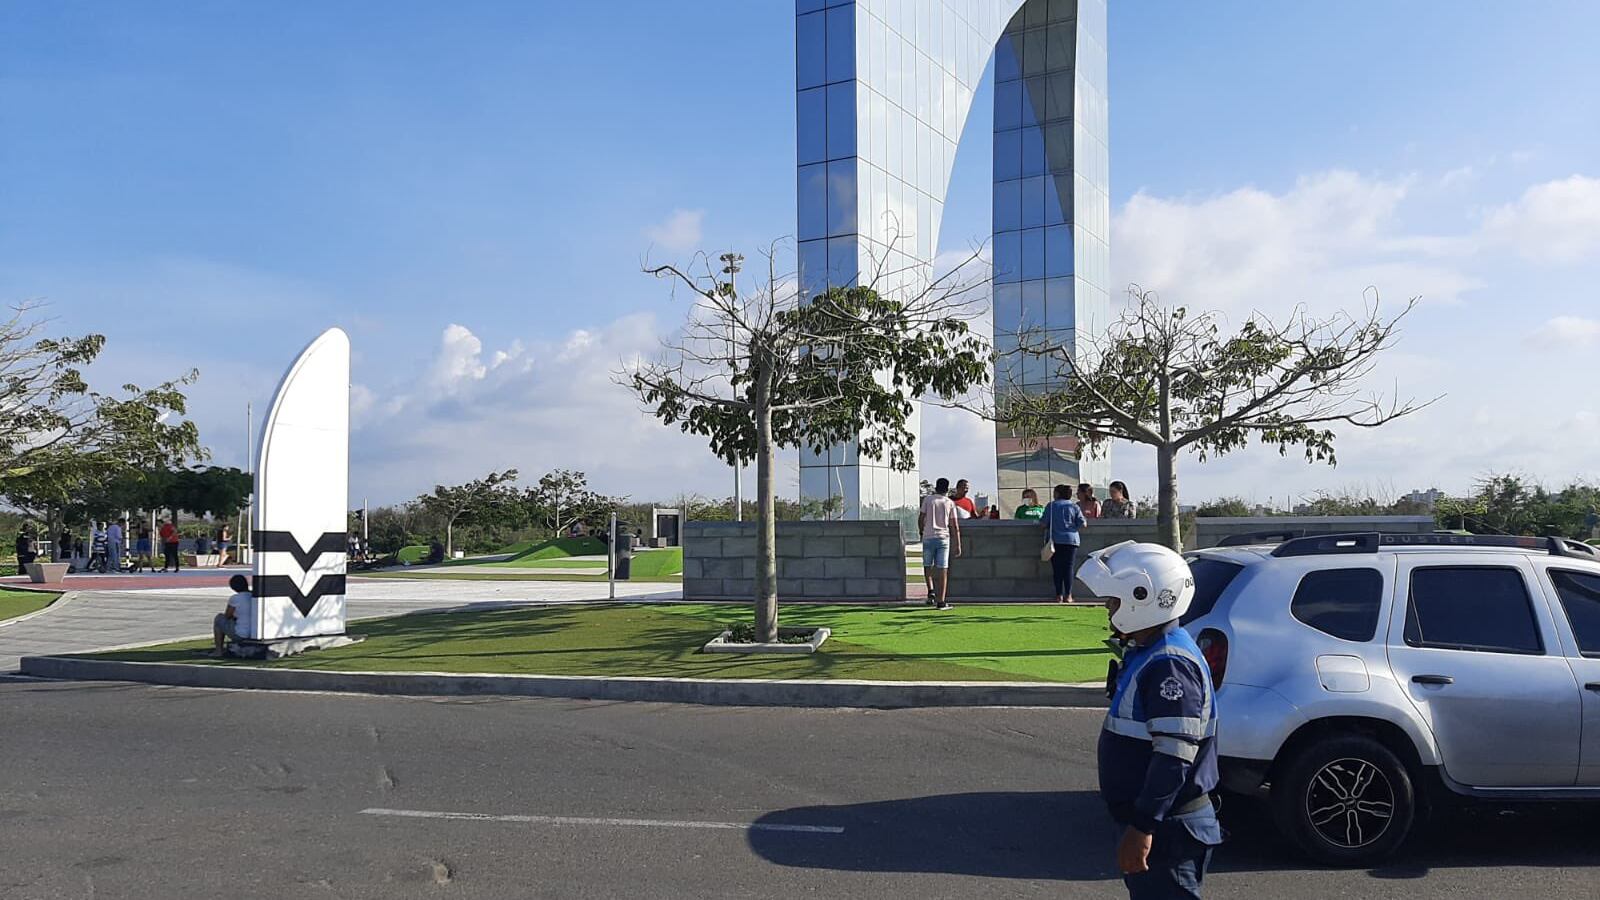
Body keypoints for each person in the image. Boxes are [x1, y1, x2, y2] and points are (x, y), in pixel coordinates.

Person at [1078, 541, 1220, 898]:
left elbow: (1174, 756)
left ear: (1142, 596)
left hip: (1168, 830)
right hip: (1164, 824)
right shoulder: (1153, 650)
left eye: (1114, 600)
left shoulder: (1168, 663)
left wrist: (1142, 828)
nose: (1108, 608)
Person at [917, 477, 961, 610]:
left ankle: (930, 590)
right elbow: (954, 525)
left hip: (928, 536)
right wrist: (958, 543)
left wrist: (921, 531)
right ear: (947, 489)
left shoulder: (928, 500)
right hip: (943, 537)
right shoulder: (949, 502)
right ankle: (941, 601)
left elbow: (921, 518)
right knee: (943, 569)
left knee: (927, 565)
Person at [1043, 484, 1087, 603]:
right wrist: (1073, 528)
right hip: (1071, 540)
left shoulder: (1051, 506)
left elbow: (1044, 523)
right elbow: (1083, 523)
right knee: (1068, 568)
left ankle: (1059, 595)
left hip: (1055, 540)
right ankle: (1068, 595)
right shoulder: (1074, 506)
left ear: (1057, 494)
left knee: (1057, 568)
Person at [212, 573, 254, 658]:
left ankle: (218, 650)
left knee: (219, 619)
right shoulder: (253, 596)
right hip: (254, 632)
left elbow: (227, 615)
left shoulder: (235, 598)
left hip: (241, 634)